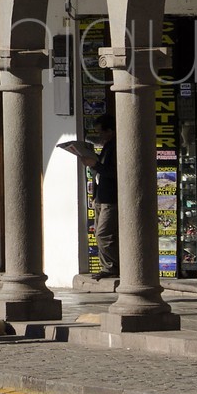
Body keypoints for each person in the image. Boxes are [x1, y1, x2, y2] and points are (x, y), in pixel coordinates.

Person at [65, 114, 118, 280]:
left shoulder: (116, 146)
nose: (100, 136)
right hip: (101, 196)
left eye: (101, 132)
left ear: (110, 130)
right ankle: (107, 266)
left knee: (104, 234)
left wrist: (95, 164)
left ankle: (111, 267)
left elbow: (114, 172)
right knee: (100, 234)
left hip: (111, 198)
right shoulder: (107, 146)